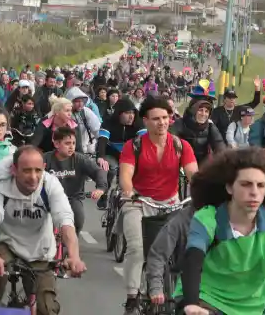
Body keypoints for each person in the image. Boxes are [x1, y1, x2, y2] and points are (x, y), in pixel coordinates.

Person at [177, 149, 265, 315]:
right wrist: (191, 303)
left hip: (255, 305)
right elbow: (192, 259)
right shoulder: (209, 216)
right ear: (230, 187)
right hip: (207, 299)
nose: (254, 192)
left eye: (260, 185)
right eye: (245, 184)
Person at [0, 146, 86, 315]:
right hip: (5, 243)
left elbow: (65, 222)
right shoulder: (0, 183)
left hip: (39, 249)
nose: (33, 177)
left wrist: (74, 257)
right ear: (14, 170)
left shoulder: (50, 184)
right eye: (27, 171)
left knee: (46, 309)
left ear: (44, 167)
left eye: (38, 170)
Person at [117, 96, 197, 313]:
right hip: (138, 202)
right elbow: (126, 175)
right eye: (155, 119)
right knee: (136, 248)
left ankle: (186, 294)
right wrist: (128, 190)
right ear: (145, 121)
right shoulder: (133, 146)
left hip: (171, 204)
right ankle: (133, 297)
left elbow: (193, 174)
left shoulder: (181, 146)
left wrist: (202, 192)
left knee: (188, 248)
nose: (161, 123)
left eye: (165, 118)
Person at [43, 126, 107, 229]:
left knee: (78, 220)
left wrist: (100, 188)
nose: (71, 147)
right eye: (67, 143)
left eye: (73, 143)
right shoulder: (45, 159)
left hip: (73, 198)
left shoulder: (80, 159)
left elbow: (98, 171)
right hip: (49, 199)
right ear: (56, 144)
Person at [95, 98, 141, 209]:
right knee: (111, 167)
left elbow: (145, 141)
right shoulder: (108, 122)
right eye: (127, 113)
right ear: (119, 114)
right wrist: (101, 157)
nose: (131, 116)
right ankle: (104, 193)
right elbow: (102, 140)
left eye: (133, 113)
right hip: (111, 153)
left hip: (130, 155)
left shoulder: (138, 123)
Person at [173, 98, 227, 167]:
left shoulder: (210, 126)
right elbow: (171, 137)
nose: (203, 114)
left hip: (202, 164)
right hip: (182, 163)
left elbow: (219, 144)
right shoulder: (180, 123)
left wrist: (225, 160)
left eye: (206, 111)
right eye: (200, 110)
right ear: (193, 111)